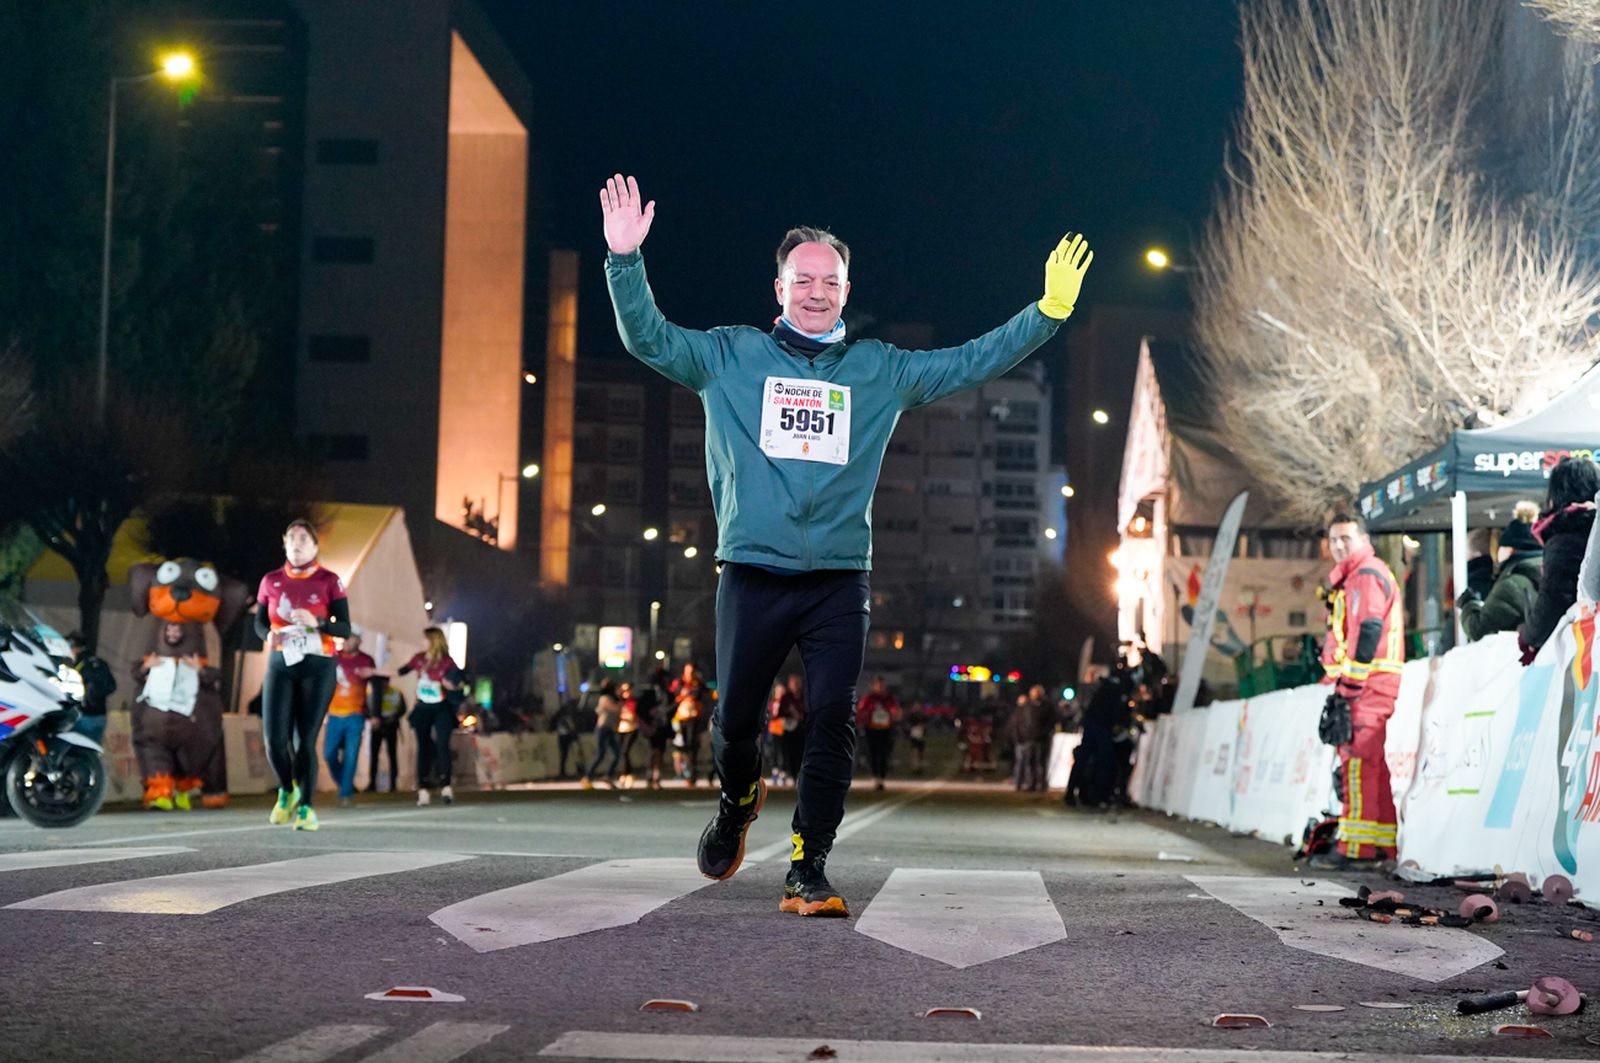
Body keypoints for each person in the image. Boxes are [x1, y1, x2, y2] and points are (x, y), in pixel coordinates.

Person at [602, 172, 1091, 916]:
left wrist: (1047, 313)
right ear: (779, 288)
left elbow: (967, 361)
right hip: (753, 574)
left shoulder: (878, 370)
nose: (817, 290)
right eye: (804, 278)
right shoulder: (728, 357)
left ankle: (809, 864)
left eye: (830, 280)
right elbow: (647, 337)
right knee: (736, 720)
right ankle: (736, 803)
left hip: (837, 578)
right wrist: (625, 260)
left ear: (846, 288)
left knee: (834, 714)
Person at [1313, 513, 1404, 870]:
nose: (1338, 546)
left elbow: (1367, 631)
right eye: (1333, 539)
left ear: (1363, 539)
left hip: (1367, 683)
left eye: (1345, 539)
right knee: (1372, 765)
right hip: (1373, 681)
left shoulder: (1364, 576)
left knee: (1357, 763)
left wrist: (1348, 687)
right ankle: (1382, 846)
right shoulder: (1360, 575)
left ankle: (1359, 849)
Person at [254, 519, 351, 832]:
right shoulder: (270, 580)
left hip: (318, 665)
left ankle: (307, 808)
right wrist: (267, 635)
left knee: (305, 740)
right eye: (292, 538)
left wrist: (318, 621)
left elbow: (345, 629)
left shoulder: (329, 580)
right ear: (284, 543)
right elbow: (258, 623)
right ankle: (286, 789)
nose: (296, 543)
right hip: (281, 663)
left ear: (314, 546)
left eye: (303, 539)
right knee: (274, 741)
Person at [1520, 456, 1600, 663]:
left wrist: (1528, 636)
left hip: (1586, 657)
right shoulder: (1588, 529)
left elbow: (1553, 600)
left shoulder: (1566, 537)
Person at [1458, 502, 1542, 643]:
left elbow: (1478, 629)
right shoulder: (1546, 568)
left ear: (1510, 549)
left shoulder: (1512, 584)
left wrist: (1468, 603)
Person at [400, 627, 463, 806]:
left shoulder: (447, 661)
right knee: (423, 746)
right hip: (423, 707)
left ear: (433, 641)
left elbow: (460, 683)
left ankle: (446, 786)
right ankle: (423, 788)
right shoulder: (419, 659)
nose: (422, 642)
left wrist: (451, 685)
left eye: (425, 639)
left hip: (441, 707)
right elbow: (400, 671)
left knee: (443, 744)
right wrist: (374, 672)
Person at [325, 629, 375, 807]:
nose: (347, 641)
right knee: (329, 754)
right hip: (334, 714)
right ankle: (344, 783)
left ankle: (345, 793)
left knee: (351, 754)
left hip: (356, 714)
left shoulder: (366, 660)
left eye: (351, 638)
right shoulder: (333, 657)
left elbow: (374, 688)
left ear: (359, 640)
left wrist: (374, 713)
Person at [67, 632, 115, 747]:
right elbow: (112, 686)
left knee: (75, 754)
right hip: (100, 716)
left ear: (74, 648)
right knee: (92, 753)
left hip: (82, 715)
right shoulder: (101, 663)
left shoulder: (78, 666)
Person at [855, 675, 901, 791]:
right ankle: (875, 777)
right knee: (872, 753)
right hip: (871, 729)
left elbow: (896, 712)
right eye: (878, 685)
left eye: (882, 685)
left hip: (886, 729)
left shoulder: (889, 698)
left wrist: (893, 713)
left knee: (884, 753)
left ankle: (882, 777)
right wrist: (864, 717)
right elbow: (860, 711)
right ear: (873, 686)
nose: (880, 687)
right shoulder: (868, 698)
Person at [669, 663, 707, 786]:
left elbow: (703, 693)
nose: (689, 673)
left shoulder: (698, 683)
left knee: (692, 743)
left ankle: (691, 773)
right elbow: (673, 695)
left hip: (693, 717)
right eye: (687, 671)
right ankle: (684, 768)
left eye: (691, 671)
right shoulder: (679, 682)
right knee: (682, 745)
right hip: (680, 717)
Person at [1011, 684, 1053, 793]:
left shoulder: (1047, 706)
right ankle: (1031, 784)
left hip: (1041, 739)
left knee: (1041, 763)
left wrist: (1044, 733)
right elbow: (1019, 721)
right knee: (1030, 762)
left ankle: (1042, 785)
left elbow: (1051, 722)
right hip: (1028, 738)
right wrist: (1020, 735)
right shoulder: (1026, 706)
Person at [581, 679, 624, 788]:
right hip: (602, 729)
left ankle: (608, 776)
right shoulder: (605, 699)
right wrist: (620, 700)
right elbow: (615, 709)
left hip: (609, 729)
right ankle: (587, 777)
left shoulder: (613, 699)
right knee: (600, 754)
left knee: (617, 754)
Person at [366, 677, 405, 793]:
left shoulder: (396, 692)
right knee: (374, 755)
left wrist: (393, 718)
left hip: (390, 725)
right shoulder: (371, 693)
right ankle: (372, 782)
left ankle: (393, 783)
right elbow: (367, 709)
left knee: (392, 754)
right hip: (377, 726)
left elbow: (402, 709)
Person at [616, 682, 641, 789]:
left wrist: (624, 716)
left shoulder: (633, 702)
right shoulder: (620, 702)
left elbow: (633, 716)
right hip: (621, 729)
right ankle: (624, 774)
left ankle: (629, 775)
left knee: (625, 751)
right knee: (622, 753)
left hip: (632, 728)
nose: (627, 693)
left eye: (628, 690)